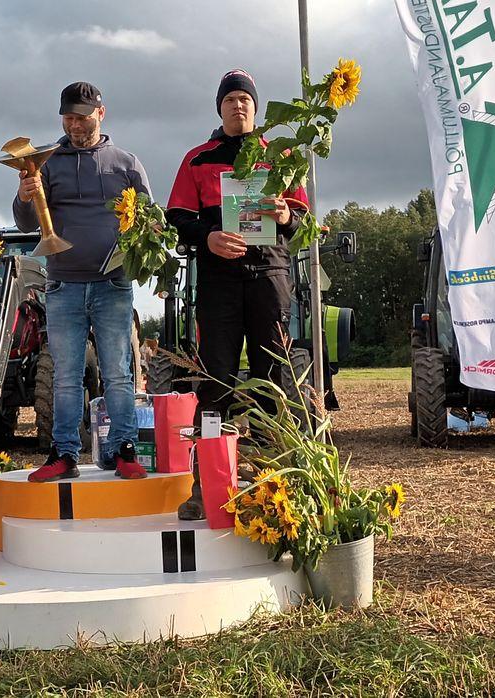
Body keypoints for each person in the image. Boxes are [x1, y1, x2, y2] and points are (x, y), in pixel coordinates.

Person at [166, 69, 310, 520]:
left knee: (274, 379)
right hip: (219, 280)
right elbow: (177, 217)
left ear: (255, 107)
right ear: (220, 108)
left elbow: (303, 220)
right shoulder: (197, 159)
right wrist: (207, 237)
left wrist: (285, 216)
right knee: (216, 381)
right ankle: (205, 486)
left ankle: (276, 482)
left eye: (245, 99)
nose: (238, 105)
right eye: (230, 99)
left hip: (270, 275)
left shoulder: (282, 156)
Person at [13, 81, 150, 482]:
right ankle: (63, 454)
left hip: (114, 285)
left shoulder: (127, 163)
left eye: (82, 118)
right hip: (63, 286)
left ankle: (124, 451)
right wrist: (25, 196)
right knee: (65, 376)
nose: (74, 125)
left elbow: (149, 221)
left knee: (118, 373)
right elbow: (27, 224)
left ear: (100, 114)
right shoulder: (46, 163)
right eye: (68, 117)